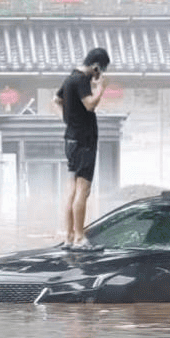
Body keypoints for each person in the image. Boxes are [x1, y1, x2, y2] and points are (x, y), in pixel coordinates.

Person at [53, 47, 111, 247]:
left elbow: (56, 100)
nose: (100, 74)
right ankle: (79, 236)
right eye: (100, 70)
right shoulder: (81, 80)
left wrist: (68, 121)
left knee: (71, 189)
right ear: (95, 66)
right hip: (84, 142)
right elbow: (90, 105)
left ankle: (68, 236)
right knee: (83, 190)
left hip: (71, 139)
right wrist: (100, 88)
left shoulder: (69, 79)